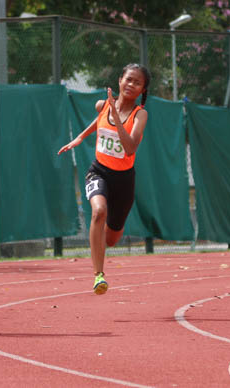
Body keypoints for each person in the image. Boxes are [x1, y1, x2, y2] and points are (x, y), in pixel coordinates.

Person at [58, 64, 150, 295]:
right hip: (99, 171)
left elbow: (129, 148)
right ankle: (99, 276)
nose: (131, 84)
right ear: (120, 80)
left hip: (124, 180)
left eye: (137, 83)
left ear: (142, 90)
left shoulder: (140, 115)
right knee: (98, 211)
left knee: (110, 240)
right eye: (128, 79)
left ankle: (108, 234)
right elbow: (100, 118)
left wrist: (117, 116)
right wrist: (80, 136)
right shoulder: (103, 105)